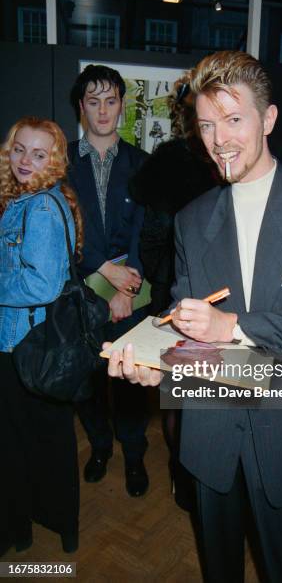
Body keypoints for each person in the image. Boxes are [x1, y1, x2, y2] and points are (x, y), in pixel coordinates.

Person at [106, 50, 282, 582]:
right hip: (211, 440)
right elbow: (188, 328)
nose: (219, 139)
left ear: (267, 120)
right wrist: (158, 367)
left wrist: (236, 326)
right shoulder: (190, 219)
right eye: (206, 125)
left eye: (233, 119)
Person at [130, 75, 218, 510]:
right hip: (186, 294)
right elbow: (153, 232)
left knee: (197, 393)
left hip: (206, 296)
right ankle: (187, 474)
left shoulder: (219, 161)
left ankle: (194, 474)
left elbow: (153, 234)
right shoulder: (177, 161)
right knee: (184, 393)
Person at [0, 117, 82, 554]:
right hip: (30, 343)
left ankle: (25, 528)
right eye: (19, 149)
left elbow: (42, 285)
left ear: (54, 159)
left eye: (38, 153)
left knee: (26, 441)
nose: (25, 160)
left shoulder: (42, 207)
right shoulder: (31, 200)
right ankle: (43, 524)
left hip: (24, 345)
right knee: (40, 439)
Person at [68, 64, 149, 497]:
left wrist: (124, 287)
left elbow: (148, 232)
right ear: (82, 107)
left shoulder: (142, 164)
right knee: (89, 383)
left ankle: (134, 454)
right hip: (79, 295)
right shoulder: (60, 163)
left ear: (121, 105)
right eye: (93, 101)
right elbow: (63, 229)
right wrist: (102, 268)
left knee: (131, 383)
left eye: (111, 100)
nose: (103, 110)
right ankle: (100, 447)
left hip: (131, 296)